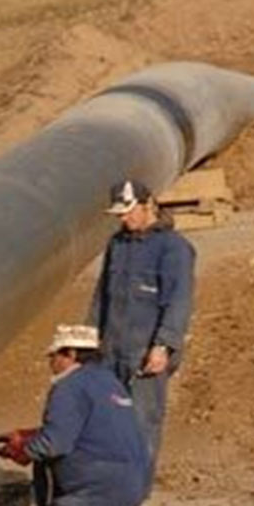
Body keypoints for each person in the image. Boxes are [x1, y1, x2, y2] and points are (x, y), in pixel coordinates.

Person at [0, 325, 158, 506]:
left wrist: (20, 450)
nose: (51, 362)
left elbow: (54, 444)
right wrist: (25, 437)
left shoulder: (68, 387)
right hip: (131, 482)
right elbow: (84, 431)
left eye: (54, 356)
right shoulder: (108, 381)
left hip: (97, 488)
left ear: (71, 354)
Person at [87, 179, 196, 477]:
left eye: (128, 211)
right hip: (112, 351)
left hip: (145, 353)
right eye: (119, 214)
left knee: (141, 423)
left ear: (148, 205)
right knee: (108, 422)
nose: (123, 219)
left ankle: (137, 499)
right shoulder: (117, 244)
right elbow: (102, 295)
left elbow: (179, 301)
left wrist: (163, 346)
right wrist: (89, 340)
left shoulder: (174, 248)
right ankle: (112, 492)